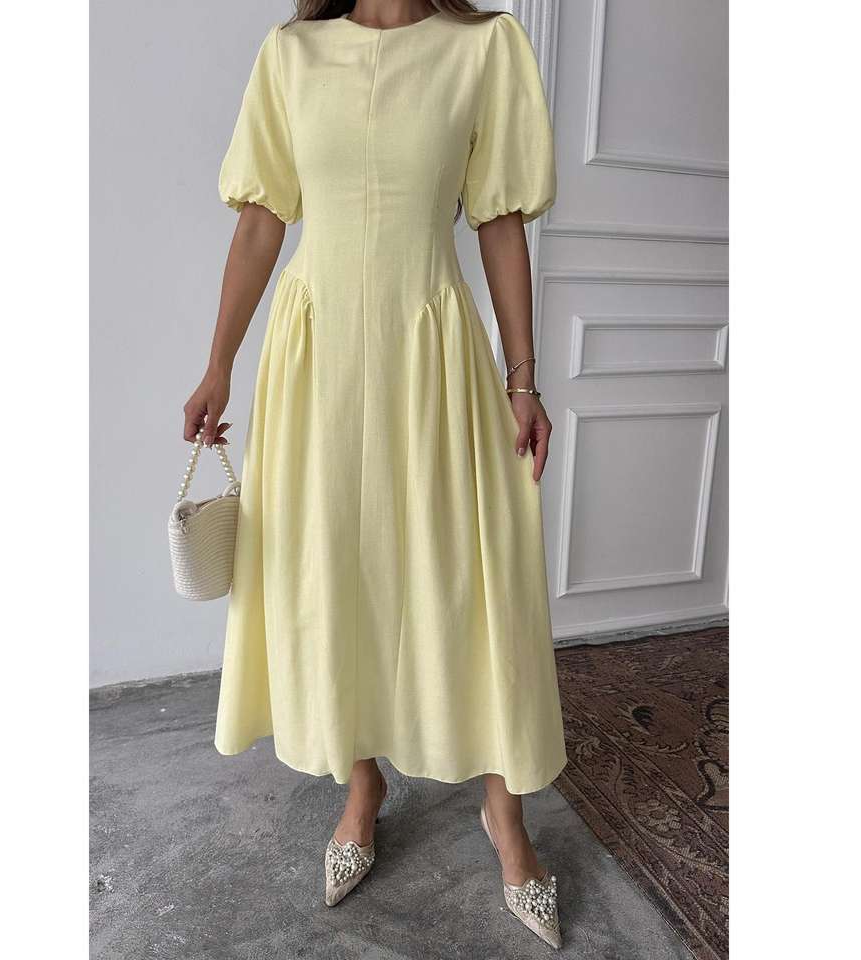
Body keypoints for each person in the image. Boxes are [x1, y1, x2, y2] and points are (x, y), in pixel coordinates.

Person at [183, 1, 567, 948]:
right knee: (334, 568)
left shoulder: (483, 48)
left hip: (430, 346)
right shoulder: (292, 54)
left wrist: (522, 380)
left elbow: (500, 222)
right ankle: (361, 788)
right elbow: (262, 223)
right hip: (316, 355)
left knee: (473, 578)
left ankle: (505, 815)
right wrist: (218, 364)